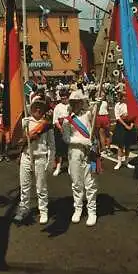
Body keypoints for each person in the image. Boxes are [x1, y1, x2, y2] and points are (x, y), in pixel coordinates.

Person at [13, 97, 55, 225]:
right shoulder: (25, 121)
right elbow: (17, 142)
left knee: (41, 187)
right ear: (30, 108)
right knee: (24, 186)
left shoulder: (47, 125)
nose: (38, 109)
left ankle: (43, 210)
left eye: (40, 106)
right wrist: (27, 137)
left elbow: (51, 145)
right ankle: (23, 209)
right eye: (35, 106)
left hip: (40, 157)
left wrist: (51, 161)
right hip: (27, 156)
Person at [62, 89, 98, 226]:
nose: (76, 105)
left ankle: (92, 211)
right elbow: (66, 138)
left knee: (90, 182)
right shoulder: (68, 121)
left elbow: (95, 113)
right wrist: (82, 141)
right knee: (76, 182)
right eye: (74, 102)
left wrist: (98, 103)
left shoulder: (88, 114)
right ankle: (78, 209)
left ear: (82, 103)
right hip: (75, 152)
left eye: (78, 102)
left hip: (91, 151)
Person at [112, 91, 136, 170]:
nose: (124, 97)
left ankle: (126, 162)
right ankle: (119, 162)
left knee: (128, 144)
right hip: (121, 125)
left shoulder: (130, 104)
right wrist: (125, 125)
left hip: (129, 124)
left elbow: (133, 115)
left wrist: (131, 125)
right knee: (120, 145)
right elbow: (118, 117)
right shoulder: (117, 105)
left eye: (125, 96)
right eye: (123, 96)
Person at [52, 88, 70, 176]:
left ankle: (70, 167)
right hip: (59, 129)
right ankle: (58, 167)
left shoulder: (71, 106)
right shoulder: (58, 107)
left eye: (65, 98)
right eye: (62, 98)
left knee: (69, 148)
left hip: (69, 128)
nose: (64, 99)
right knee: (59, 149)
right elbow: (55, 120)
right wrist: (60, 128)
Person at [95, 91, 112, 155]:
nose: (102, 96)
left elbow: (107, 110)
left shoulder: (104, 102)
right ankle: (105, 148)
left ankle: (107, 148)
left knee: (106, 134)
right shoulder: (100, 103)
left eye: (103, 95)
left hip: (103, 117)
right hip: (101, 117)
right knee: (102, 134)